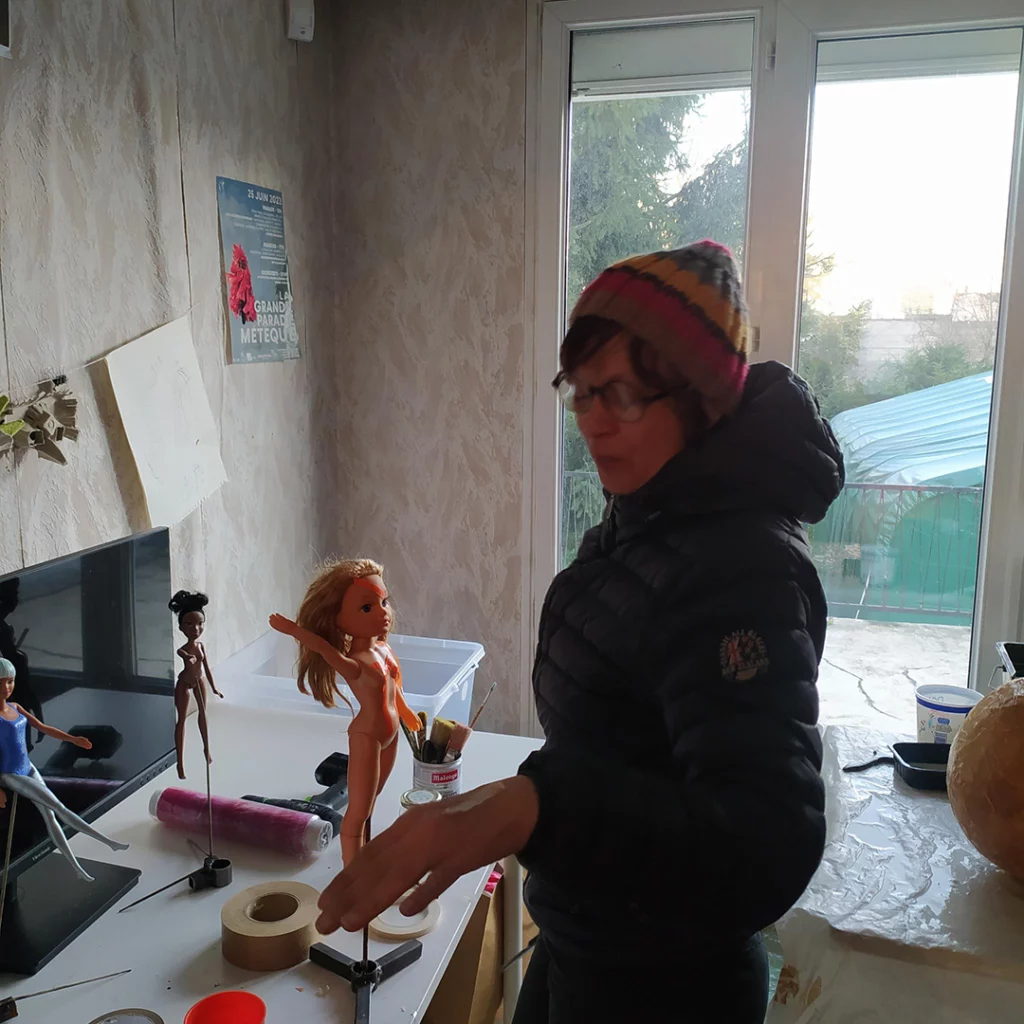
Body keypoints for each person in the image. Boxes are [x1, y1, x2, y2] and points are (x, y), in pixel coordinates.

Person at [313, 241, 844, 1022]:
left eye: (622, 394)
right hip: (589, 941)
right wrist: (539, 806)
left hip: (668, 991)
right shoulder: (649, 516)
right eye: (582, 391)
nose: (593, 420)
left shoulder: (742, 572)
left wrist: (535, 808)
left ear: (700, 397)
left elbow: (764, 845)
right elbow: (622, 745)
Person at [0, 657, 130, 882]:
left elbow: (42, 727)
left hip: (27, 767)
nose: (7, 687)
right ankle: (108, 842)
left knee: (50, 815)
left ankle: (77, 869)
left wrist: (72, 739)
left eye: (10, 681)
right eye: (1, 682)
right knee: (58, 807)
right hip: (11, 773)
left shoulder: (15, 707)